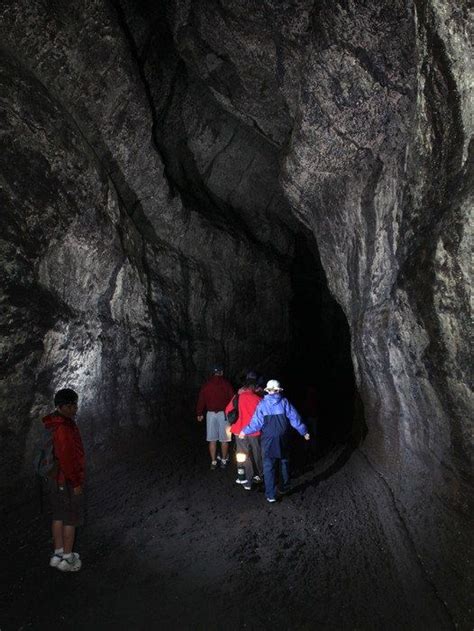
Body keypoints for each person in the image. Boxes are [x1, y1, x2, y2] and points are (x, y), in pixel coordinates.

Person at [239, 379, 309, 503]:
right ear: (278, 390)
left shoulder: (262, 404)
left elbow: (256, 423)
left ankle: (270, 495)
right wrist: (304, 432)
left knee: (268, 466)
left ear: (268, 390)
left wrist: (244, 431)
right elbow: (295, 419)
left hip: (268, 439)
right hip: (283, 438)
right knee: (284, 462)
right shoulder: (284, 402)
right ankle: (283, 487)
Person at [42, 388, 85, 571]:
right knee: (70, 518)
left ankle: (58, 553)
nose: (75, 408)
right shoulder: (64, 428)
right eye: (71, 405)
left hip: (54, 478)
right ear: (62, 407)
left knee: (58, 516)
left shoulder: (53, 422)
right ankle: (67, 559)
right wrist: (76, 482)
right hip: (65, 479)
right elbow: (68, 458)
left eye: (75, 404)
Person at [225, 375, 263, 491]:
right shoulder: (258, 399)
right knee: (257, 453)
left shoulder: (237, 397)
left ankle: (245, 478)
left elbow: (227, 410)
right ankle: (258, 475)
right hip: (254, 432)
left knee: (242, 455)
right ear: (254, 387)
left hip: (238, 431)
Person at [196, 366, 235, 469]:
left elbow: (201, 399)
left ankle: (213, 462)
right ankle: (223, 460)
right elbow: (233, 399)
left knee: (212, 440)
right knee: (224, 439)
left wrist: (199, 413)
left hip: (210, 414)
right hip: (224, 414)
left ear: (213, 373)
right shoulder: (226, 384)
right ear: (221, 373)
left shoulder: (207, 384)